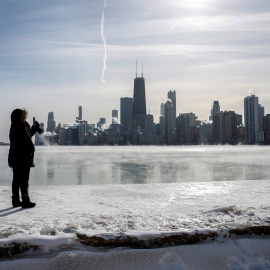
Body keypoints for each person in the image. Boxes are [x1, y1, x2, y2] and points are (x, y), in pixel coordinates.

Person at [8, 108, 43, 208]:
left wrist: (34, 128)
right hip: (22, 157)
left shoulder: (17, 125)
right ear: (20, 116)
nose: (25, 117)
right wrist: (34, 128)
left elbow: (27, 136)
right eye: (24, 115)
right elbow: (26, 139)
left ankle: (16, 200)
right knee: (23, 179)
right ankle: (25, 200)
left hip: (17, 157)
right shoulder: (20, 126)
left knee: (17, 179)